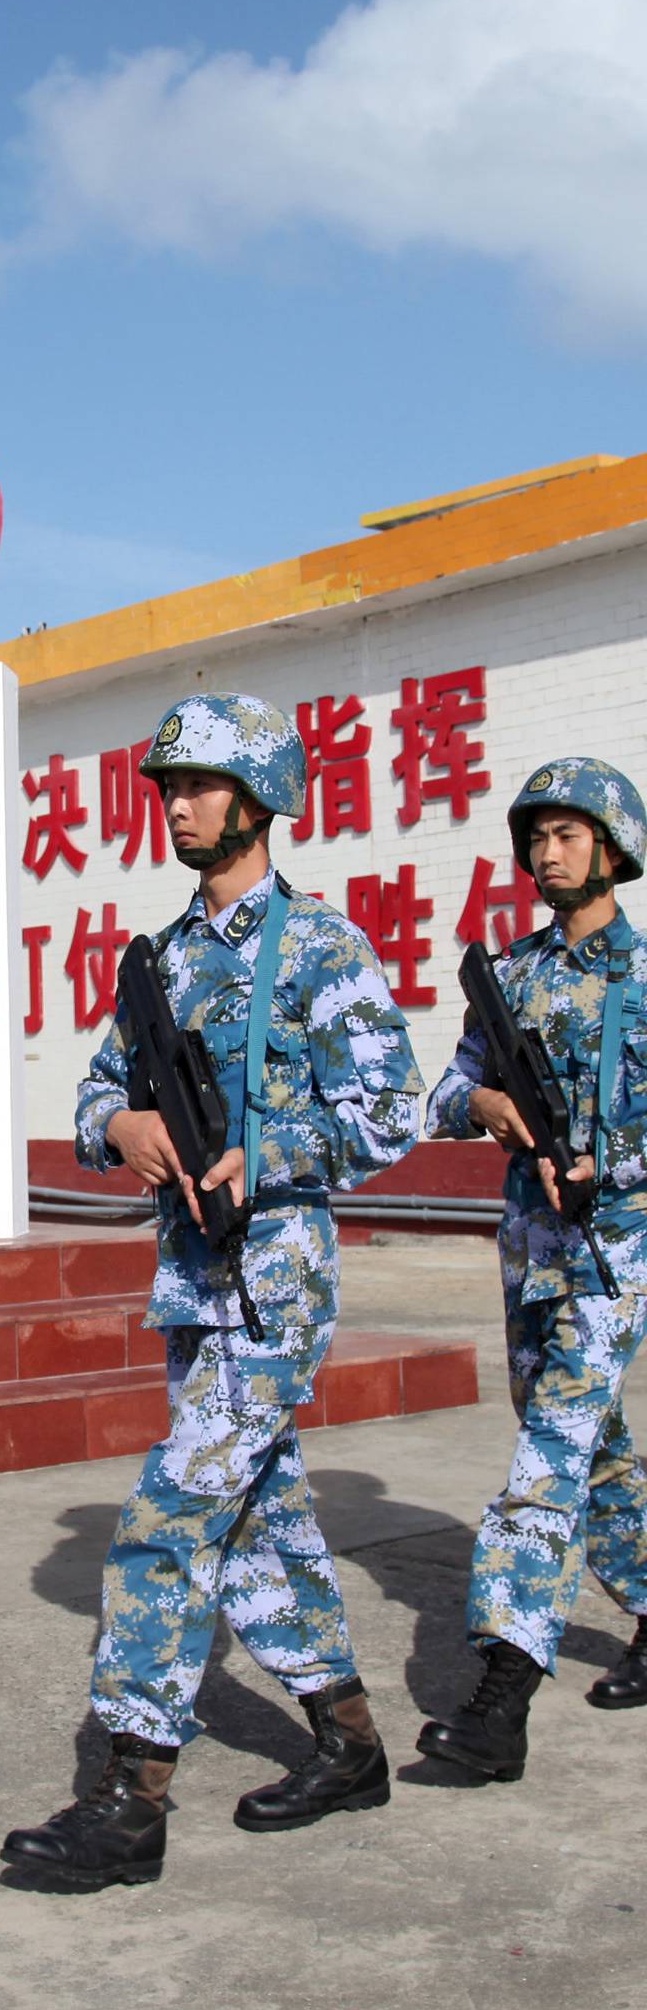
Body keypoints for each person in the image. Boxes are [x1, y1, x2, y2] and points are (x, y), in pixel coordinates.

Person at [1, 692, 423, 1889]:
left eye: (197, 784)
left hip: (276, 1284)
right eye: (167, 786)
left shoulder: (322, 949)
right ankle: (350, 1745)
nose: (175, 803)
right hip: (191, 1286)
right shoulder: (166, 960)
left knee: (166, 1522)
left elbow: (387, 1113)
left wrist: (268, 1152)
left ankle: (128, 1801)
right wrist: (122, 1123)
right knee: (258, 1527)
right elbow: (93, 1097)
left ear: (259, 798)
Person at [419, 758, 647, 1779]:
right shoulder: (510, 978)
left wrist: (613, 1161)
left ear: (611, 847)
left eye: (567, 835)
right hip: (529, 1251)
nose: (547, 853)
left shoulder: (642, 982)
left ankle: (500, 1695)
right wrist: (485, 1108)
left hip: (614, 1251)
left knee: (545, 1463)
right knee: (585, 1442)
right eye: (536, 837)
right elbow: (442, 1091)